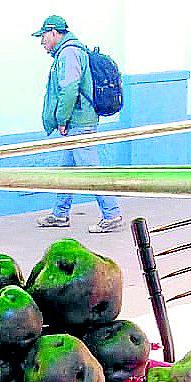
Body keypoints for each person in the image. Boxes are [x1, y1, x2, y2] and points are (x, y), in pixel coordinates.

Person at [32, 15, 123, 234]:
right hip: (78, 121)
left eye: (43, 36)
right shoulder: (68, 52)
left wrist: (61, 120)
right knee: (66, 170)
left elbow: (69, 89)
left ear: (54, 33)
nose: (41, 42)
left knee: (91, 171)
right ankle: (60, 214)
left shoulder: (69, 53)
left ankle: (112, 214)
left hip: (79, 123)